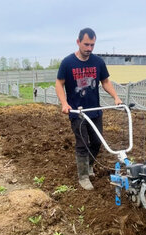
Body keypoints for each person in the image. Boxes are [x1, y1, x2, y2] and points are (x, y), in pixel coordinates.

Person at [55, 27, 122, 190]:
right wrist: (64, 103)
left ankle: (89, 165)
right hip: (77, 113)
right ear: (78, 42)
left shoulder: (98, 62)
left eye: (92, 45)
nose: (89, 48)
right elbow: (59, 83)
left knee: (97, 142)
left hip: (95, 110)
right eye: (86, 44)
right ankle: (83, 176)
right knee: (82, 143)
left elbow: (105, 81)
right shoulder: (68, 62)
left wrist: (116, 97)